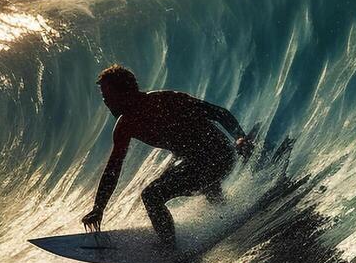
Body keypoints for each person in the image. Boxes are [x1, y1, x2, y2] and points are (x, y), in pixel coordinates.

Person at [82, 65, 253, 247]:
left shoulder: (165, 100)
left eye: (108, 95)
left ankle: (169, 248)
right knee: (187, 179)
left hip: (218, 154)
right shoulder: (125, 125)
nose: (106, 101)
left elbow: (218, 113)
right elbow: (113, 168)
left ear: (125, 91)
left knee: (151, 195)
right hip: (193, 162)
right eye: (104, 97)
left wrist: (239, 136)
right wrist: (98, 208)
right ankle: (229, 216)